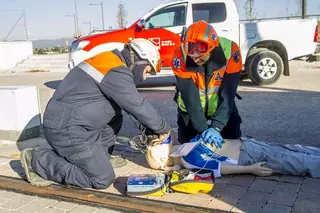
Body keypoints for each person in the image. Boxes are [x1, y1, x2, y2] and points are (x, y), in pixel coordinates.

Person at [20, 38, 171, 189]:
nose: (144, 77)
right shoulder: (115, 70)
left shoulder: (109, 60)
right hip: (67, 129)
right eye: (147, 71)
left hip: (70, 121)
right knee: (102, 179)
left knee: (116, 115)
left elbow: (129, 105)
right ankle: (37, 160)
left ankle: (100, 158)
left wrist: (148, 128)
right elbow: (137, 104)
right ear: (139, 61)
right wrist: (163, 128)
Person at [171, 20, 243, 149]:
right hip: (190, 111)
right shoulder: (180, 55)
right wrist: (202, 128)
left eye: (200, 54)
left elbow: (228, 93)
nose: (194, 57)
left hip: (221, 108)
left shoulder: (231, 51)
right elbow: (190, 96)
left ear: (211, 47)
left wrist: (217, 126)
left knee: (232, 147)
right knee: (189, 151)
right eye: (190, 50)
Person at [147, 136, 320, 179]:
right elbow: (220, 169)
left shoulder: (182, 148)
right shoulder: (188, 158)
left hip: (248, 146)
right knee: (297, 160)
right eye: (159, 146)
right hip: (249, 156)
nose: (161, 142)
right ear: (165, 156)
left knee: (293, 151)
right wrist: (251, 169)